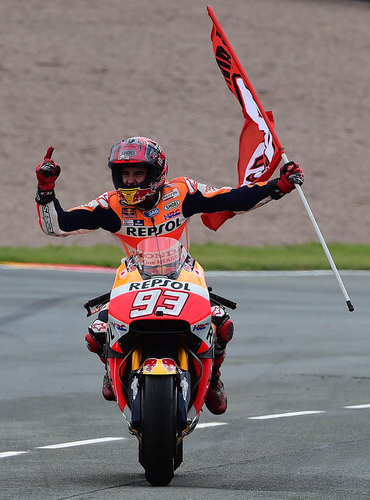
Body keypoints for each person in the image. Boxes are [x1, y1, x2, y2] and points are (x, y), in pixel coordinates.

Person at [35, 136, 303, 415]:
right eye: (125, 174)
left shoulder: (182, 192)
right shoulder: (110, 205)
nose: (130, 180)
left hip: (182, 279)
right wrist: (46, 189)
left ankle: (213, 380)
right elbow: (59, 226)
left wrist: (278, 187)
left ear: (156, 173)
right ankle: (110, 365)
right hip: (133, 284)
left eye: (139, 173)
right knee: (96, 334)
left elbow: (231, 199)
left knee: (222, 324)